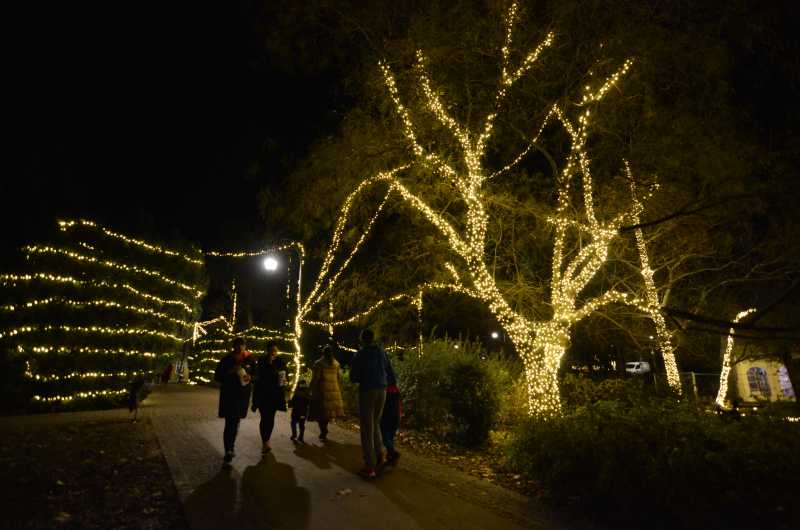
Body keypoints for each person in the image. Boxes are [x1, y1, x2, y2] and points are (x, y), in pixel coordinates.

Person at [349, 328, 395, 479]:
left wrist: (361, 376)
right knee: (375, 423)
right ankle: (380, 456)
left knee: (367, 428)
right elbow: (389, 370)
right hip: (383, 390)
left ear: (362, 339)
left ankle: (370, 466)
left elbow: (353, 377)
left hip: (368, 390)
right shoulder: (381, 352)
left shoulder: (360, 354)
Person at [214, 337, 254, 464]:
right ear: (234, 347)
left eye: (242, 346)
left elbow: (257, 375)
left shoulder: (250, 360)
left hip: (242, 396)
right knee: (229, 422)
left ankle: (230, 447)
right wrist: (230, 371)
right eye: (237, 346)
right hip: (229, 396)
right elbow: (217, 376)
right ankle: (229, 449)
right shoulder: (226, 359)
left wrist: (250, 377)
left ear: (244, 347)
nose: (240, 348)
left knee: (235, 422)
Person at [252, 341, 287, 453]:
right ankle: (265, 441)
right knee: (264, 418)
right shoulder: (262, 361)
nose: (273, 353)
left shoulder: (280, 361)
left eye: (275, 351)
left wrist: (285, 380)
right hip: (263, 394)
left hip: (275, 395)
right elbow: (258, 377)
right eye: (271, 351)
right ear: (267, 351)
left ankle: (267, 440)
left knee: (270, 418)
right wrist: (270, 364)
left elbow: (285, 374)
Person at [309, 345, 344, 441]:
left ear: (323, 353)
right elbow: (338, 378)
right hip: (333, 390)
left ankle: (323, 430)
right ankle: (324, 429)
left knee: (321, 412)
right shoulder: (336, 364)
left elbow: (316, 378)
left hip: (322, 390)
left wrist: (311, 388)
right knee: (328, 413)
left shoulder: (319, 363)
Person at [380, 376, 402, 466]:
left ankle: (392, 453)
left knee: (385, 437)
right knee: (390, 438)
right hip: (396, 417)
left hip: (387, 418)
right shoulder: (396, 390)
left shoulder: (386, 390)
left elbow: (384, 406)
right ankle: (391, 457)